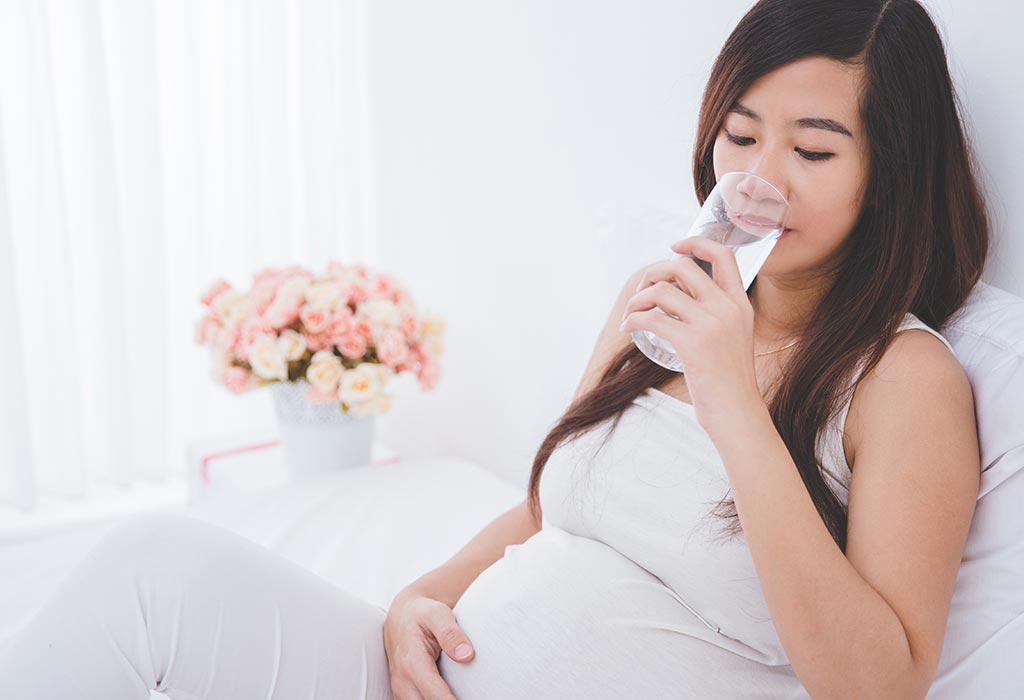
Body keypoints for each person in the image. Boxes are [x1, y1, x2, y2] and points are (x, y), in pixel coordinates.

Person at [0, 0, 988, 698]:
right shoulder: (664, 299)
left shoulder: (903, 380)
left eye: (812, 150)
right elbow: (541, 505)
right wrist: (418, 599)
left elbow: (877, 682)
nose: (760, 176)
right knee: (149, 568)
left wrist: (734, 402)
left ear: (890, 172)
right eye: (738, 136)